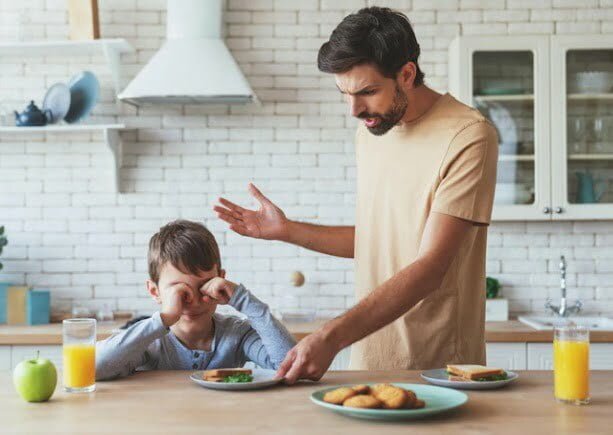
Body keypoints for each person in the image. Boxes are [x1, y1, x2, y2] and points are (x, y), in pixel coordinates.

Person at [215, 6, 498, 384]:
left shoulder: (467, 136)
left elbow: (431, 267)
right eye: (344, 93)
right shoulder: (372, 131)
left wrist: (331, 336)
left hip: (439, 366)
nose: (354, 109)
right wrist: (287, 230)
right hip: (368, 359)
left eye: (367, 91)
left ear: (407, 74)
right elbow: (378, 242)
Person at [96, 220, 295, 380]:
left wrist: (243, 299)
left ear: (221, 281)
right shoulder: (148, 339)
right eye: (180, 292)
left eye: (205, 286)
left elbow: (289, 366)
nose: (194, 302)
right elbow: (95, 367)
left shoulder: (236, 335)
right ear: (155, 291)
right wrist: (165, 317)